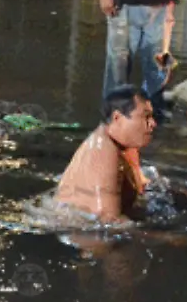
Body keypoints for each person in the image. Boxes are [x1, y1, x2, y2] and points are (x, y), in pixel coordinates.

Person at [54, 86, 158, 224]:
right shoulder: (103, 154)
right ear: (117, 118)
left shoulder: (121, 144)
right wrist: (164, 238)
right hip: (82, 232)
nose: (153, 124)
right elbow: (107, 223)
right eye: (145, 116)